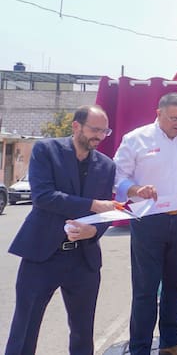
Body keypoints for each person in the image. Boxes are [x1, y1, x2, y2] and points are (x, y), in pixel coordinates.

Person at [5, 105, 118, 355]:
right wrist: (91, 205)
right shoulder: (46, 151)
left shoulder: (107, 166)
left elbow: (107, 211)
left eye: (104, 131)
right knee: (25, 328)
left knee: (82, 332)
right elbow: (43, 197)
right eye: (94, 130)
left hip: (83, 259)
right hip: (43, 255)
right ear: (76, 126)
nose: (99, 136)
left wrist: (94, 231)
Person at [114, 93, 177, 355]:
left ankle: (171, 342)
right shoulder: (136, 139)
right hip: (148, 221)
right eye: (174, 118)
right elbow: (117, 177)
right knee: (146, 289)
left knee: (175, 286)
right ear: (158, 113)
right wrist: (136, 189)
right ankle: (140, 348)